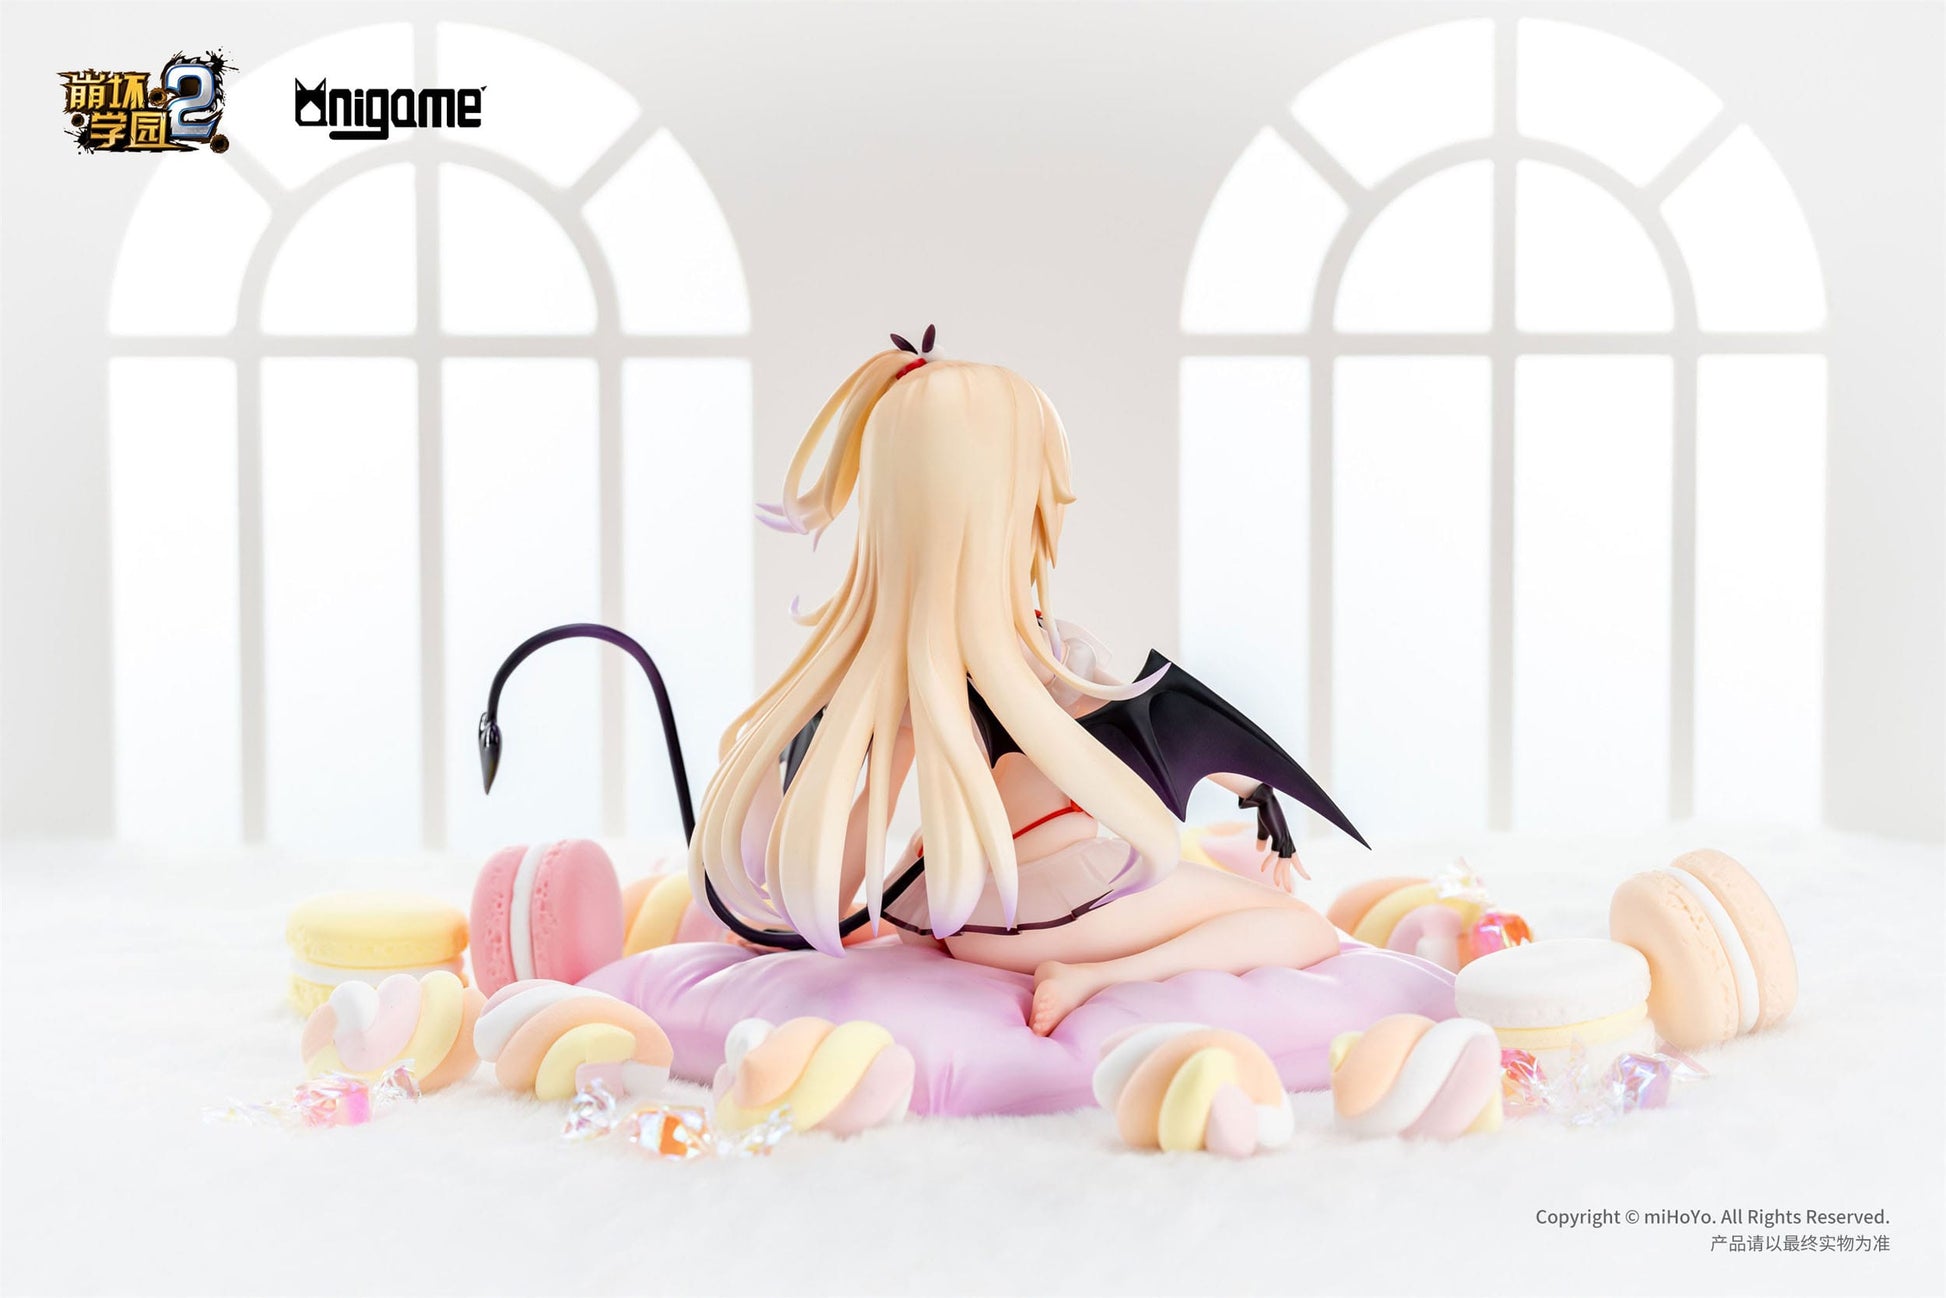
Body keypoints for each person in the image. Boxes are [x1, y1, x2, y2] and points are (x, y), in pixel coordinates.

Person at [690, 341, 1343, 1035]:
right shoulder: (1050, 654)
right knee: (1299, 926)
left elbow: (866, 816)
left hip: (951, 911)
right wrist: (1258, 792)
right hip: (1057, 910)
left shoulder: (907, 664)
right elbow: (1142, 726)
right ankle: (1096, 978)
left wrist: (812, 915)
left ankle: (1064, 957)